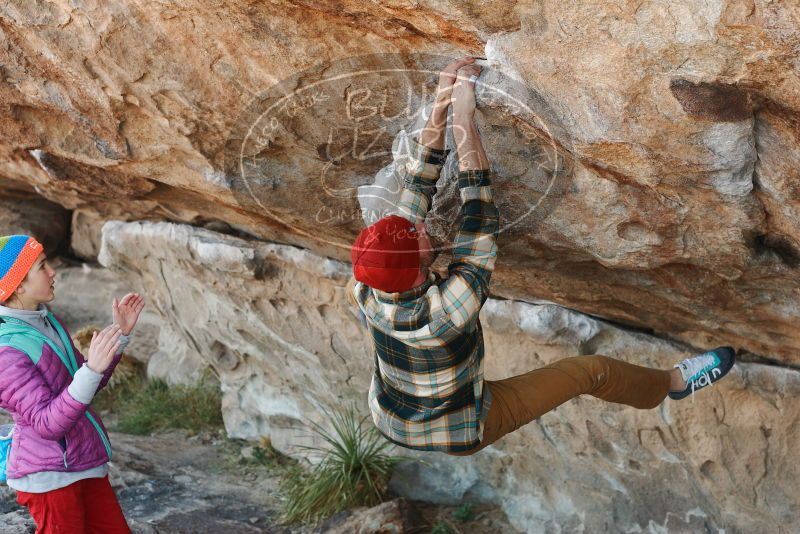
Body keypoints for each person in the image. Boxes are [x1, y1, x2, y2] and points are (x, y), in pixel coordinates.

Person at [347, 57, 736, 455]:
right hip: (460, 427)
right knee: (591, 373)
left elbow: (416, 187)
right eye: (417, 236)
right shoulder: (449, 308)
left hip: (393, 414)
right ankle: (674, 383)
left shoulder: (367, 279)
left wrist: (442, 104)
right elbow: (478, 207)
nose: (421, 225)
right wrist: (464, 120)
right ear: (415, 269)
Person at [0, 234, 145, 532]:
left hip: (82, 463)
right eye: (41, 266)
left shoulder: (47, 322)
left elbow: (84, 385)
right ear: (17, 285)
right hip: (49, 478)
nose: (52, 271)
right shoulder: (7, 350)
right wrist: (91, 369)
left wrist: (118, 337)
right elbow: (46, 423)